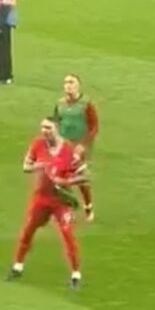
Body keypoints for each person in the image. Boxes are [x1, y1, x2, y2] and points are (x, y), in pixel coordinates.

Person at [8, 117, 87, 290]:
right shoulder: (37, 145)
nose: (44, 131)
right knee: (28, 230)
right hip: (41, 198)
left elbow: (83, 175)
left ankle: (76, 274)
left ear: (57, 128)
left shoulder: (68, 150)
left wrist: (65, 182)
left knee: (68, 234)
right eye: (43, 127)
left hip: (60, 200)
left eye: (48, 128)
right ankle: (17, 266)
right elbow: (26, 167)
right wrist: (40, 165)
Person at [53, 74, 99, 221]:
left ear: (78, 85)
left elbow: (94, 126)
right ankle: (69, 209)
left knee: (80, 178)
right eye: (66, 82)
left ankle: (88, 206)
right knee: (61, 178)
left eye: (71, 82)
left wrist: (83, 145)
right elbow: (56, 123)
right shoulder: (60, 104)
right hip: (64, 145)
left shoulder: (86, 104)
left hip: (81, 145)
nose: (68, 85)